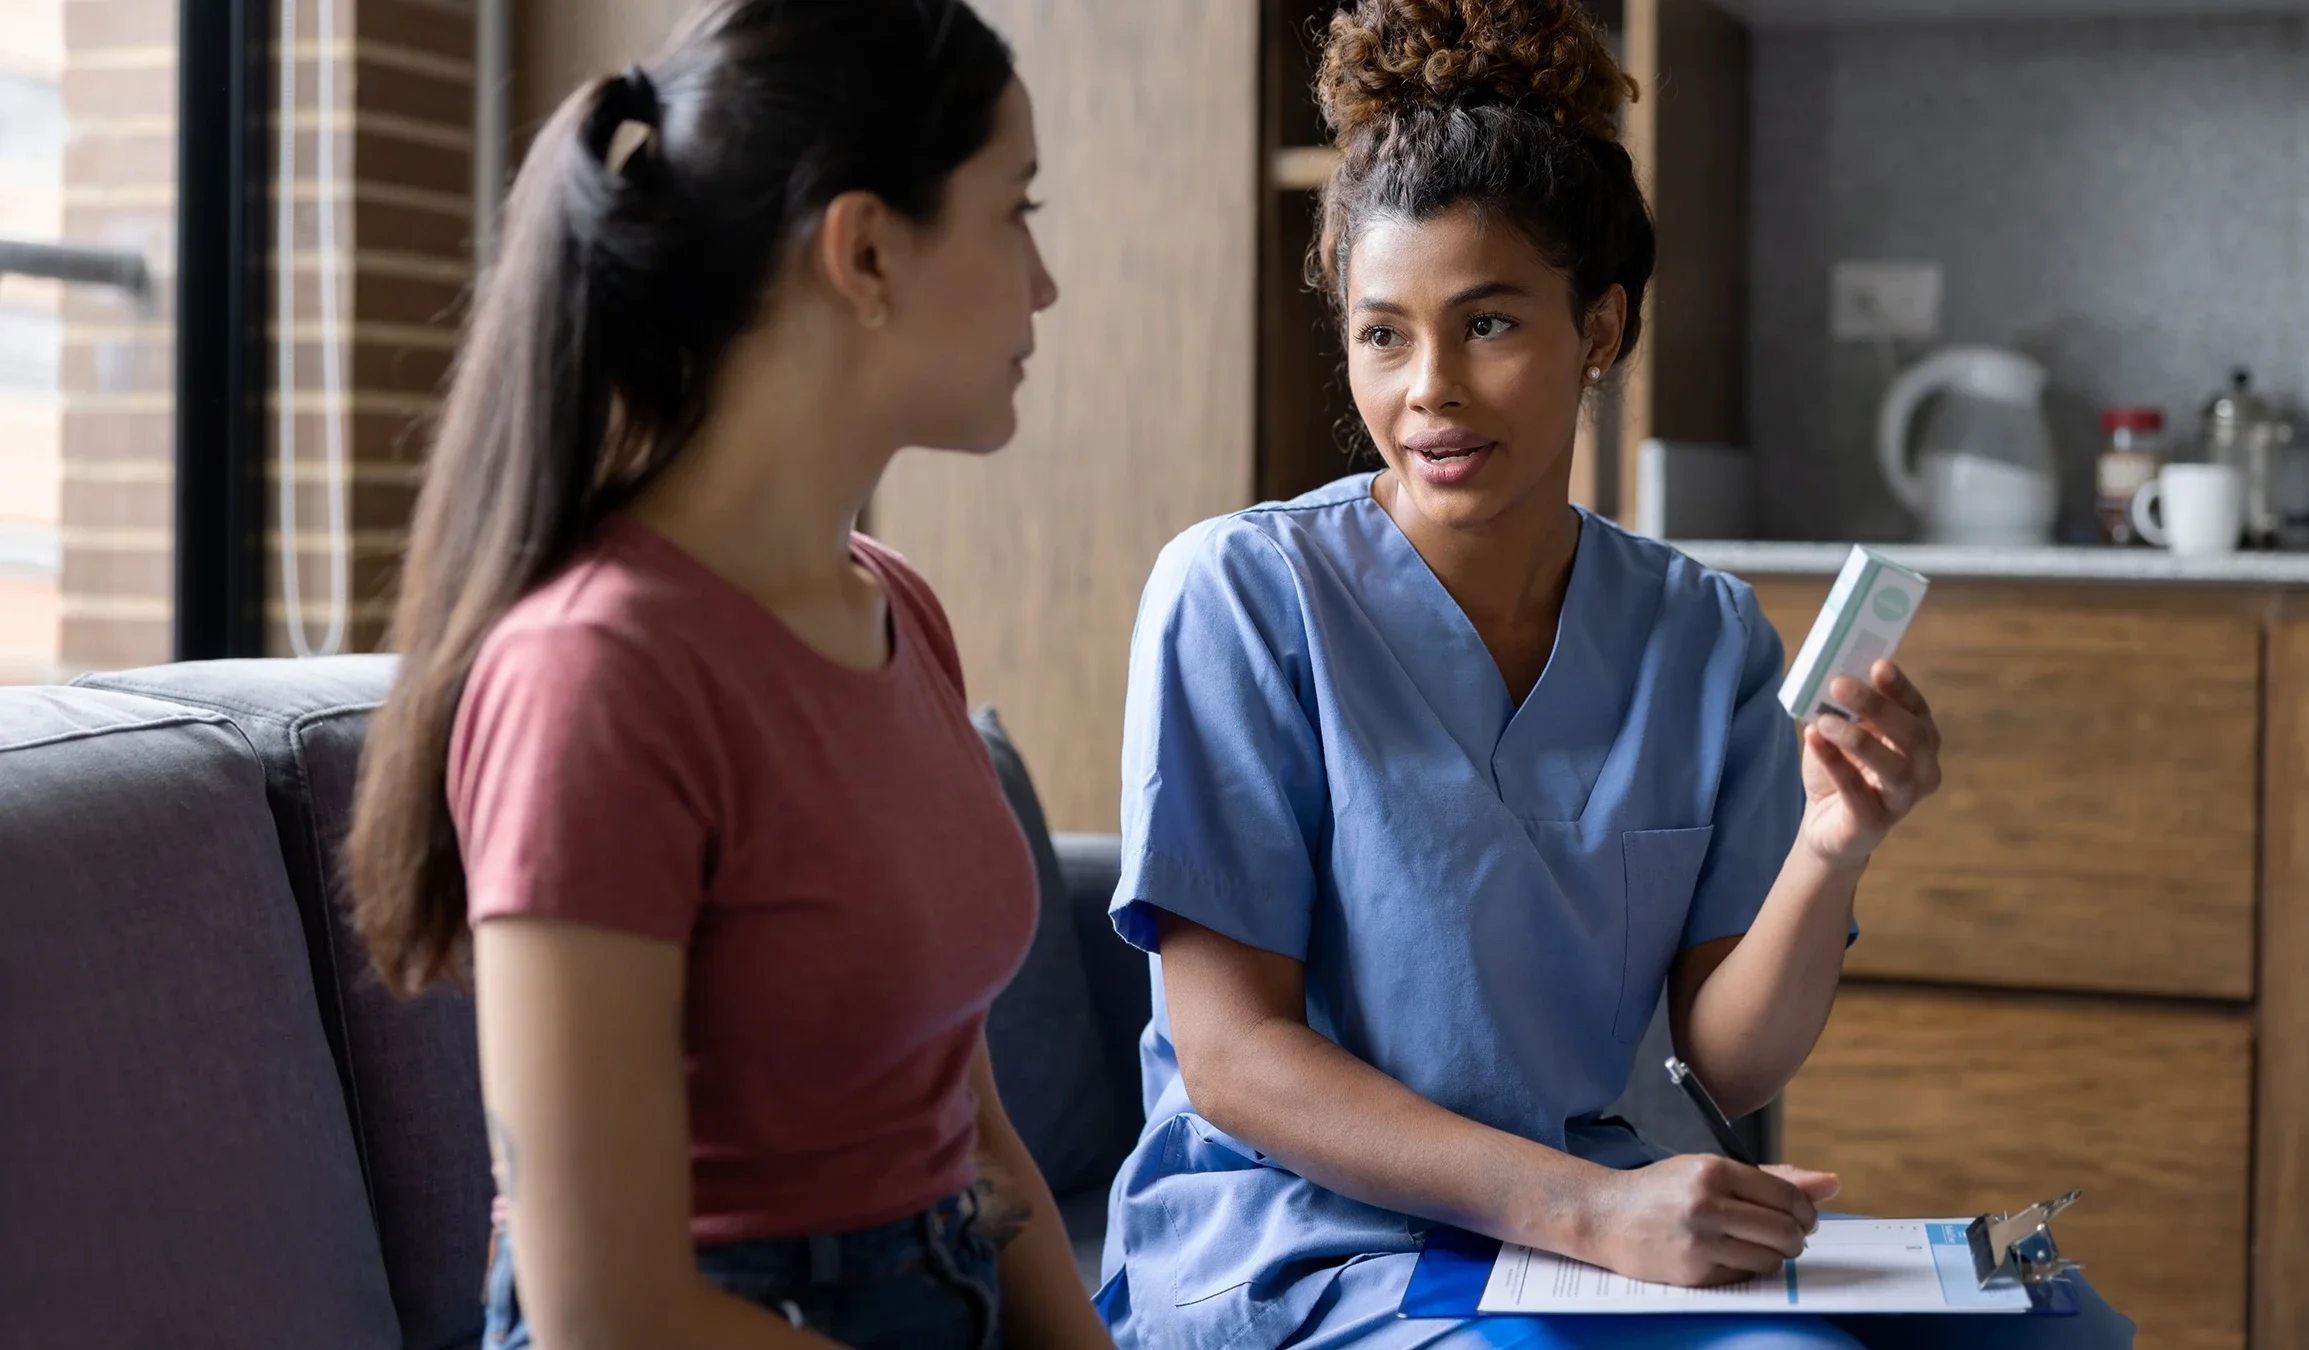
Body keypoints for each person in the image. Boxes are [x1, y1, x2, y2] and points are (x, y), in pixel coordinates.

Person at [1093, 3, 2134, 1348]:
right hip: (1321, 1235)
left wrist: (1832, 845)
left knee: (2064, 1326)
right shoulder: (1242, 596)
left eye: (1487, 324)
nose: (1429, 391)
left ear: (1600, 326)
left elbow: (1733, 1053)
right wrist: (1589, 1209)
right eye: (1382, 335)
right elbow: (1233, 1059)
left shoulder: (1701, 633)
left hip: (1593, 1219)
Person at [342, 4, 1114, 1348]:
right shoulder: (597, 674)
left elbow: (971, 1138)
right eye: (1015, 210)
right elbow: (607, 1314)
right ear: (865, 249)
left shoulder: (898, 609)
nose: (1044, 282)